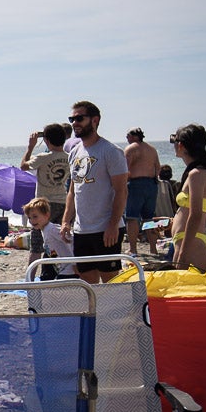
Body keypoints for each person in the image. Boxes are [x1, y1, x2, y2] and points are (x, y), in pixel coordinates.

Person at [61, 101, 129, 283]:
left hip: (105, 228)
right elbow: (73, 190)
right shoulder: (75, 152)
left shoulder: (111, 151)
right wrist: (66, 221)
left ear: (94, 120)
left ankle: (112, 312)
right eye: (72, 119)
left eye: (79, 118)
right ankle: (94, 313)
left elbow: (121, 191)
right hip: (82, 229)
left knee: (110, 281)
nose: (75, 123)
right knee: (86, 279)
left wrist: (113, 224)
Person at [20, 124, 71, 263]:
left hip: (43, 204)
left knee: (36, 246)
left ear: (47, 140)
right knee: (57, 242)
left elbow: (23, 166)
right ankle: (56, 271)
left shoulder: (43, 157)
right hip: (62, 202)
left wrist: (30, 147)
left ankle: (30, 279)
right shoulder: (69, 157)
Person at [170, 124, 206, 272]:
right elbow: (205, 214)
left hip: (190, 245)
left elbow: (195, 215)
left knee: (186, 293)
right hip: (193, 240)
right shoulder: (203, 172)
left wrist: (183, 253)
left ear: (181, 145)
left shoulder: (196, 174)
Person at [123, 128, 161, 256]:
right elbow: (158, 167)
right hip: (151, 184)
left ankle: (133, 249)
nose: (126, 138)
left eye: (127, 135)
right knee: (149, 218)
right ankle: (153, 249)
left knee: (132, 218)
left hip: (136, 183)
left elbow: (125, 169)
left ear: (134, 136)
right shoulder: (152, 149)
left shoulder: (130, 149)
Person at [23, 198, 76, 280]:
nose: (32, 220)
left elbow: (72, 239)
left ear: (47, 215)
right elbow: (52, 251)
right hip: (62, 269)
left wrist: (75, 263)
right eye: (29, 217)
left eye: (35, 216)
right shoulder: (44, 230)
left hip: (70, 270)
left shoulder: (52, 229)